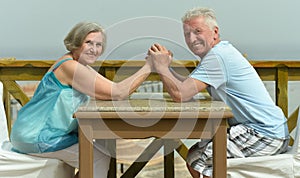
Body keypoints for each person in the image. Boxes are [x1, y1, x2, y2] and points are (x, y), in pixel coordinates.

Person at [147, 7, 289, 178]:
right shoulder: (217, 54)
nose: (192, 39)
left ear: (215, 32)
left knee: (203, 160)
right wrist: (166, 67)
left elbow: (181, 95)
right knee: (195, 155)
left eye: (197, 31)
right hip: (265, 131)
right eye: (187, 34)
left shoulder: (217, 57)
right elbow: (186, 88)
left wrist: (162, 68)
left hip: (264, 134)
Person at [10, 21, 153, 178]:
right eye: (88, 43)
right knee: (96, 158)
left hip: (43, 133)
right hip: (35, 137)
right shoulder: (70, 67)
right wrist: (149, 67)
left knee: (100, 152)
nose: (94, 49)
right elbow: (117, 93)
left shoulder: (80, 65)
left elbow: (113, 88)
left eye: (99, 45)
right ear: (76, 42)